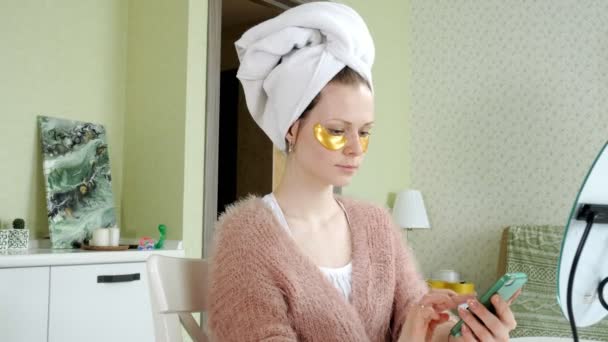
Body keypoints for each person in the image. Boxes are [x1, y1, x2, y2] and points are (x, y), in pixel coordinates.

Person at [208, 2, 519, 341]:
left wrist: (464, 334)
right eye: (337, 130)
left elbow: (416, 318)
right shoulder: (246, 239)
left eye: (365, 131)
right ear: (291, 129)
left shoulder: (376, 224)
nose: (356, 149)